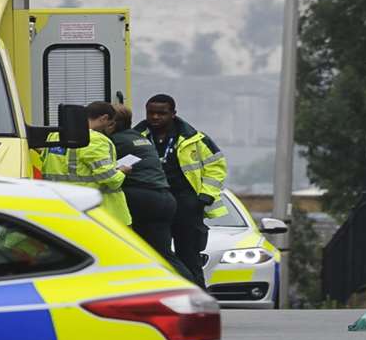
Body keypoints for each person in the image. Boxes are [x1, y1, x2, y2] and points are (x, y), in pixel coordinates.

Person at [105, 102, 196, 282]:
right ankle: (191, 289)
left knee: (125, 249)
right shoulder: (138, 138)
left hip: (139, 197)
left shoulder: (113, 142)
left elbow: (102, 173)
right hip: (163, 198)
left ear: (111, 123)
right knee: (162, 253)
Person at [144, 94, 227, 284]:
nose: (155, 117)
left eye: (161, 113)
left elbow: (216, 167)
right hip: (153, 203)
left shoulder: (195, 139)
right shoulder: (137, 137)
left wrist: (205, 196)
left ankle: (197, 294)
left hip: (186, 204)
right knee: (155, 254)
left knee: (189, 255)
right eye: (151, 113)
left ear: (173, 114)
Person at [39, 101, 129, 225]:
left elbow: (46, 162)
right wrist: (122, 171)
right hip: (97, 211)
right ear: (104, 118)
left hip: (60, 206)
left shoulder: (55, 135)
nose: (109, 128)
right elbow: (110, 179)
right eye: (110, 123)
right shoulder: (96, 140)